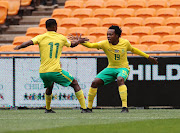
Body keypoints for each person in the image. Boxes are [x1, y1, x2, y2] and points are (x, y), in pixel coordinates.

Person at [70, 25, 158, 113]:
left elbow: (133, 50)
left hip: (123, 68)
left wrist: (148, 57)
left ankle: (124, 107)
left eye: (111, 34)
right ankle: (89, 108)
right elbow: (91, 45)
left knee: (120, 79)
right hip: (111, 68)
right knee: (94, 82)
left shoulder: (125, 43)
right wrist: (80, 42)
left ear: (117, 35)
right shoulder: (104, 44)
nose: (108, 36)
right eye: (107, 34)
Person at [14, 19, 89, 113]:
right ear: (55, 27)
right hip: (55, 71)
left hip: (43, 72)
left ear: (46, 27)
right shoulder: (60, 37)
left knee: (50, 86)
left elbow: (28, 43)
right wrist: (79, 41)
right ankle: (84, 108)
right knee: (74, 83)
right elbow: (72, 45)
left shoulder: (41, 37)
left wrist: (19, 46)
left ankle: (48, 109)